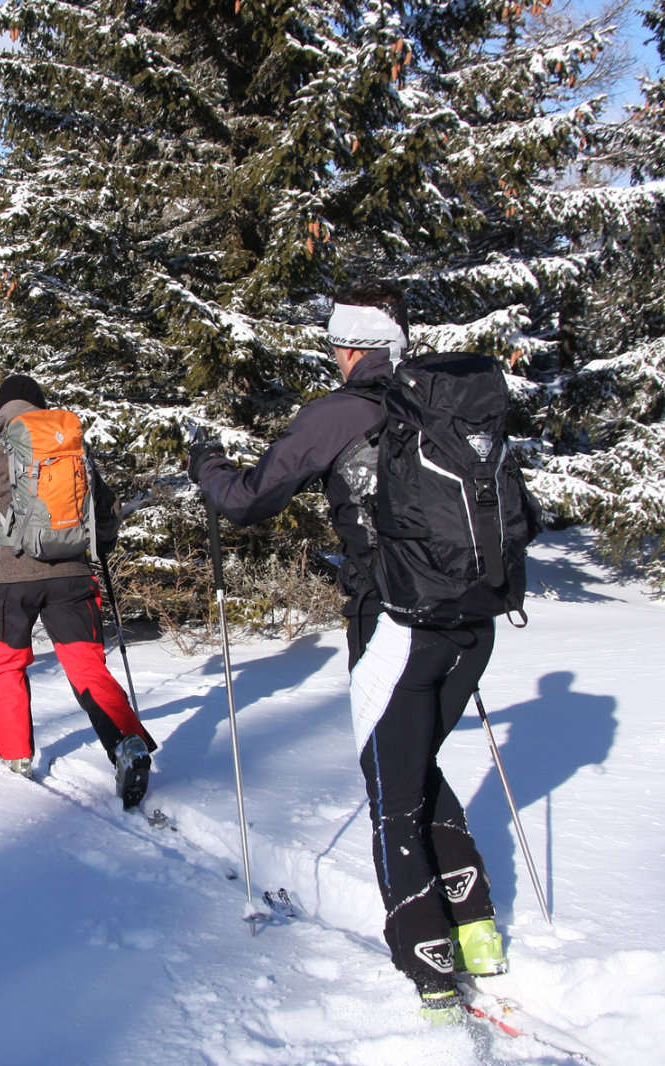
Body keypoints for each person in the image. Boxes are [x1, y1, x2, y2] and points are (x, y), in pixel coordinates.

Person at [189, 282, 505, 1022]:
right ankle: (479, 929)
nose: (331, 355)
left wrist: (204, 466)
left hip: (394, 622)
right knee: (415, 766)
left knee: (390, 793)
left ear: (353, 346)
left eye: (335, 343)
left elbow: (245, 499)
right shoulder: (446, 407)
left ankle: (427, 961)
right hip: (473, 621)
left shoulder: (339, 412)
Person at [0, 374, 156, 808]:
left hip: (12, 580)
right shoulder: (73, 448)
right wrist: (100, 544)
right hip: (74, 576)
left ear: (1, 413)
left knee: (7, 664)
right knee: (86, 667)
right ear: (41, 407)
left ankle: (17, 758)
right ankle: (127, 743)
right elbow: (107, 511)